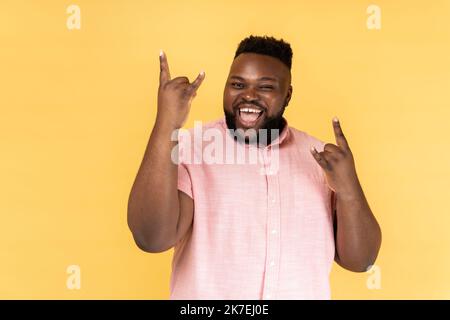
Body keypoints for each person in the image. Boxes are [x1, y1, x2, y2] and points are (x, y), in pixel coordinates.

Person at [127, 35, 382, 299]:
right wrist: (167, 125)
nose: (248, 95)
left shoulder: (320, 160)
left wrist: (349, 188)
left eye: (265, 87)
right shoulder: (191, 149)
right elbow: (151, 238)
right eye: (238, 84)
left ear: (288, 95)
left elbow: (361, 260)